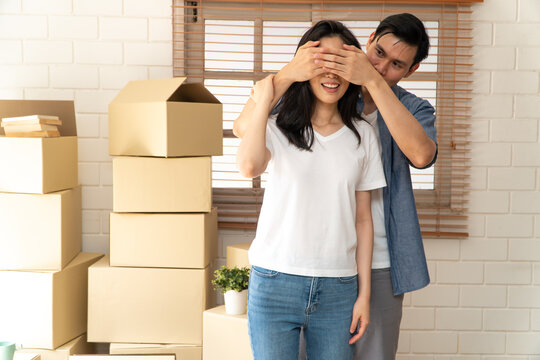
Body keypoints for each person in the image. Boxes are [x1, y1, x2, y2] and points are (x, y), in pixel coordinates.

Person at [234, 13, 437, 360]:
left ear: (410, 71)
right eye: (378, 52)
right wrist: (288, 73)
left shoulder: (412, 108)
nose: (381, 65)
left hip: (381, 262)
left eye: (396, 64)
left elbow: (421, 155)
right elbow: (245, 130)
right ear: (368, 40)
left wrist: (372, 81)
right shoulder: (323, 93)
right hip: (317, 263)